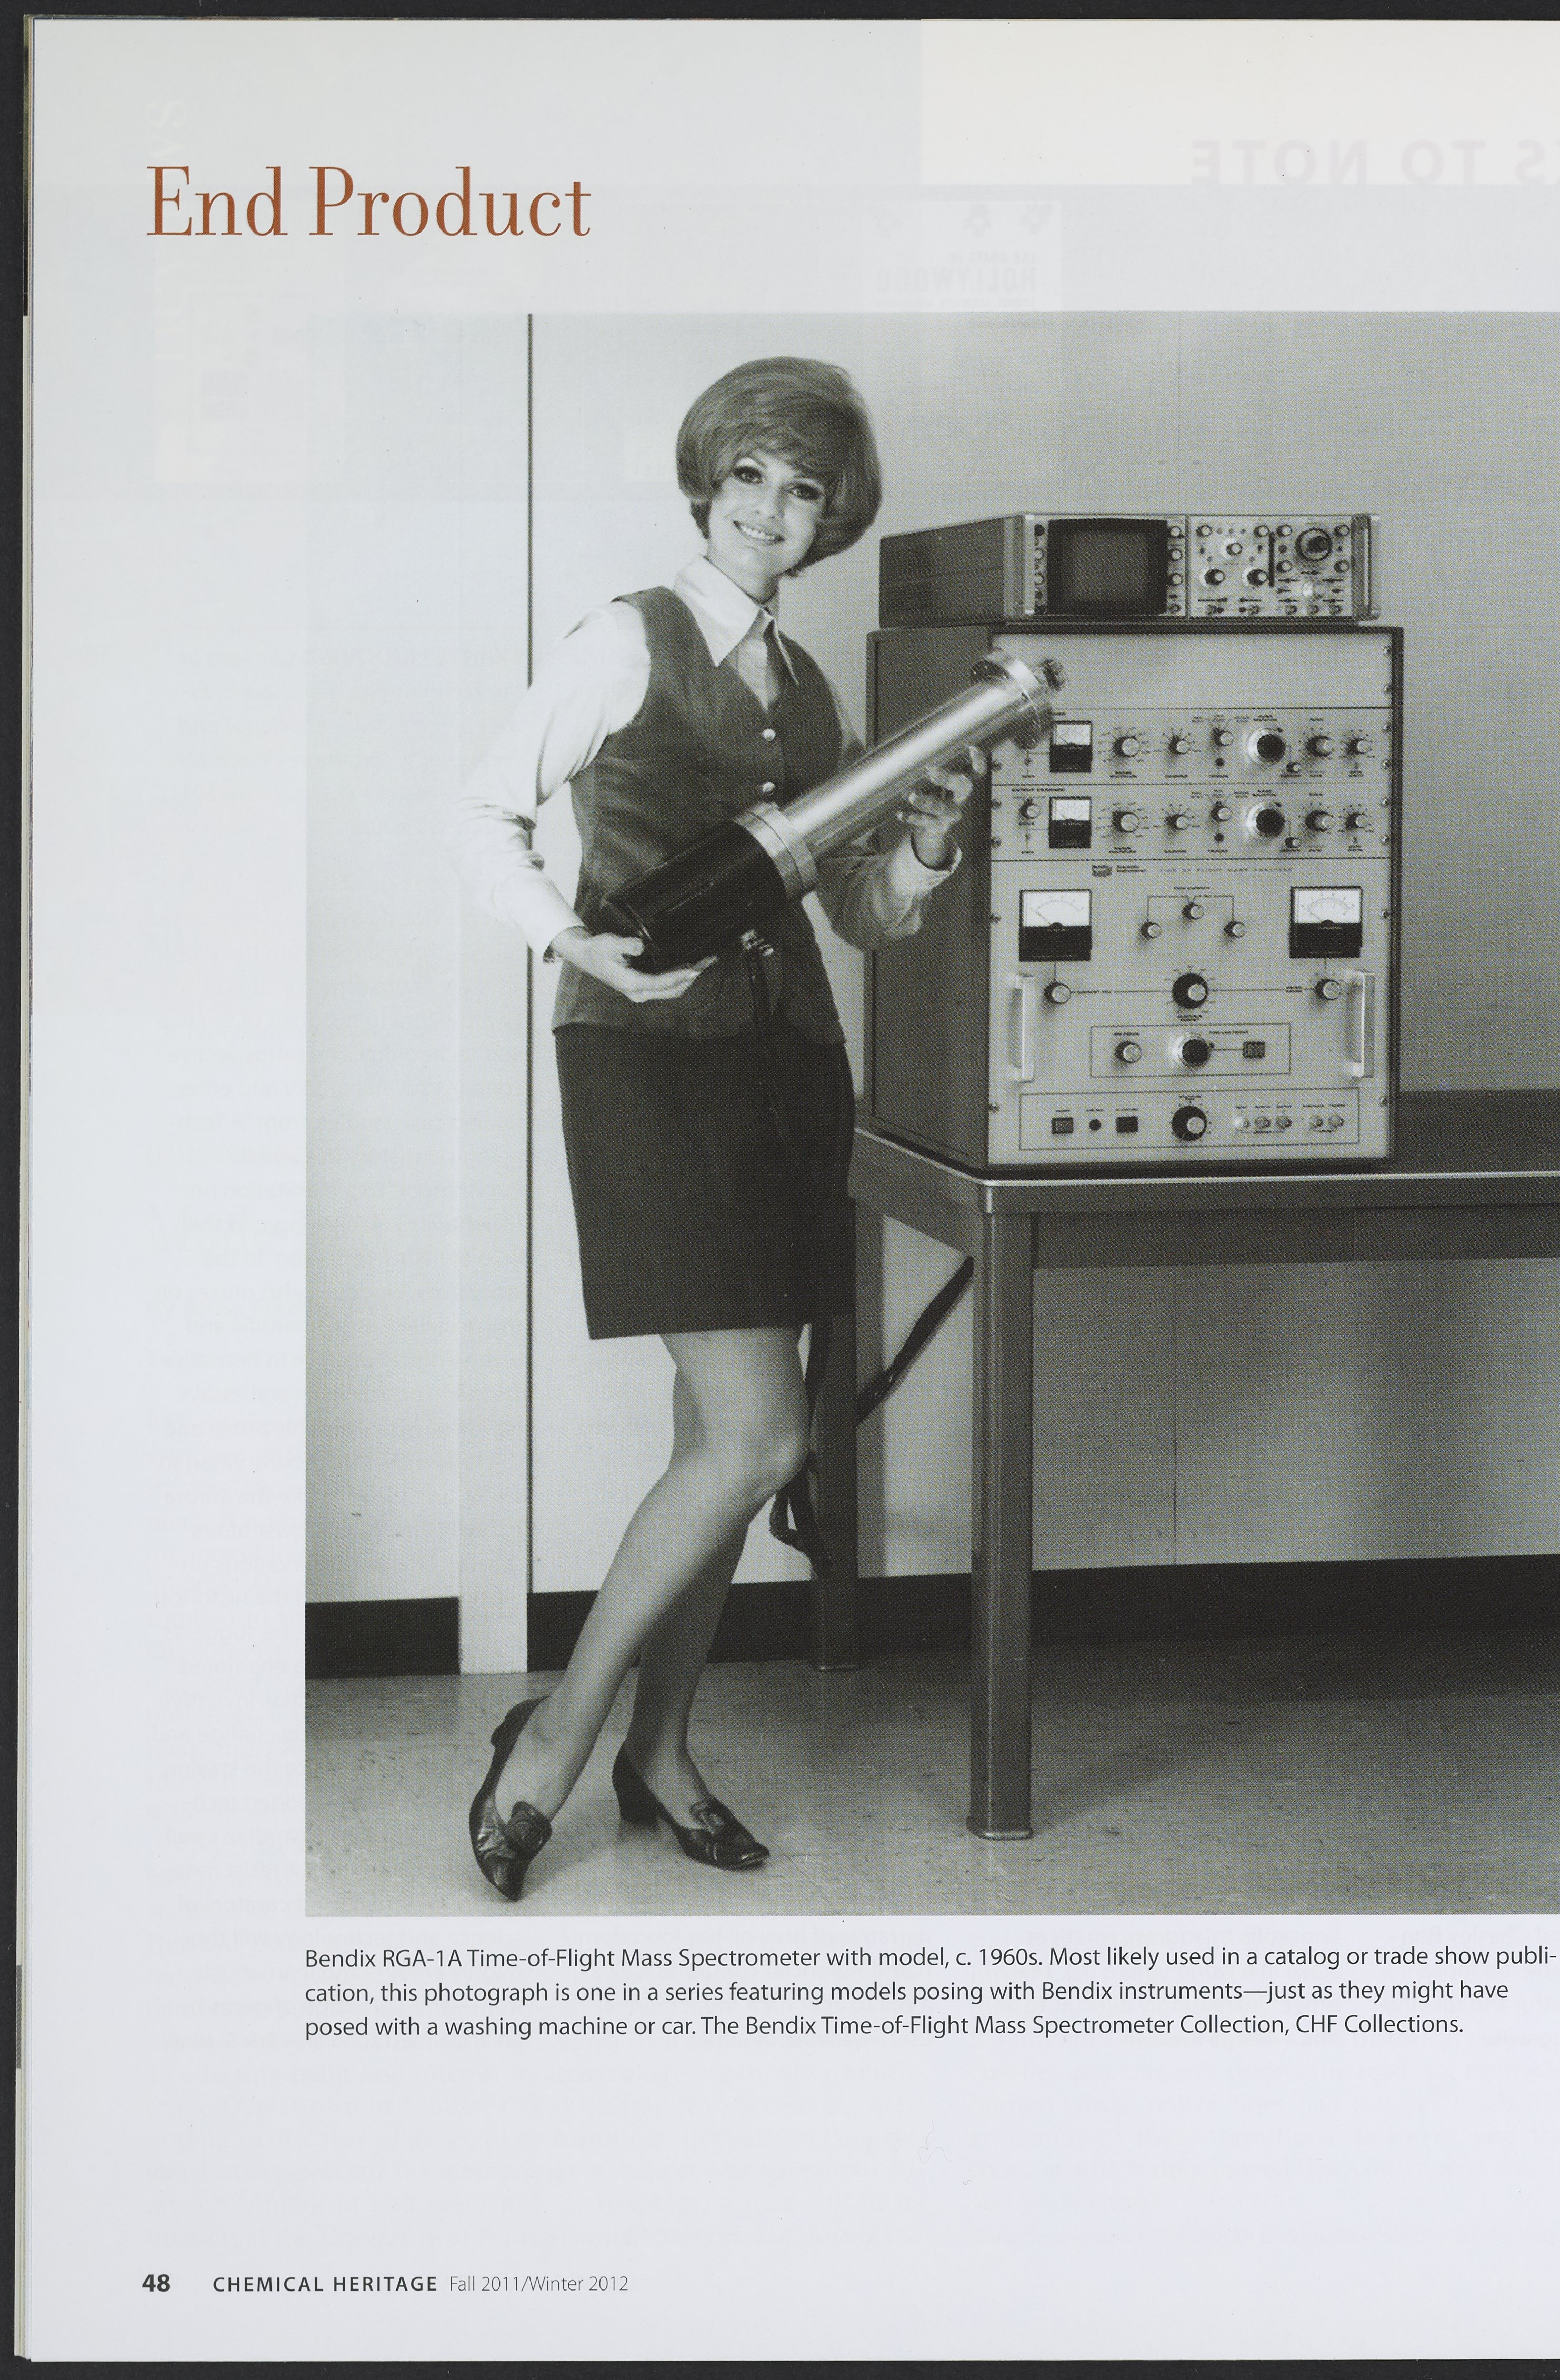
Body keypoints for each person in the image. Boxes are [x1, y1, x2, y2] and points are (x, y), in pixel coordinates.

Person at [452, 356, 975, 1899]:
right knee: (762, 1434)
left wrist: (924, 852)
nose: (769, 509)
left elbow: (857, 913)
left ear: (831, 519)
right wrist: (573, 937)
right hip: (646, 1062)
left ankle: (661, 1752)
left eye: (803, 490)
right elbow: (480, 810)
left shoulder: (809, 692)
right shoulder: (626, 639)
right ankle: (556, 1734)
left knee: (718, 1445)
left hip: (786, 1064)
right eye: (749, 475)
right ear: (708, 482)